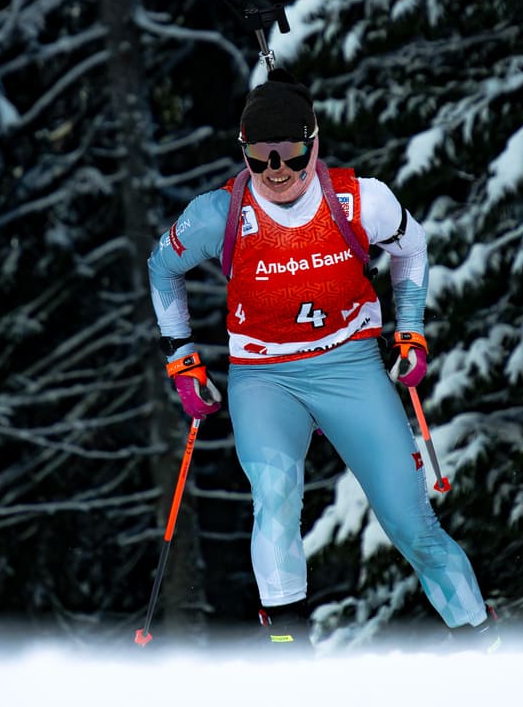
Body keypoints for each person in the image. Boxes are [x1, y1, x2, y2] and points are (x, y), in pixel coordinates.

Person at [147, 68, 493, 650]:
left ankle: (484, 645)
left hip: (349, 366)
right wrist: (182, 358)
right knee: (275, 500)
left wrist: (411, 332)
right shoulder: (219, 214)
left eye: (290, 153)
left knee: (411, 521)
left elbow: (412, 248)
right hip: (265, 378)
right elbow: (163, 267)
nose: (276, 170)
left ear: (314, 140)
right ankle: (289, 655)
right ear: (244, 151)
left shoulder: (361, 200)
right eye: (260, 156)